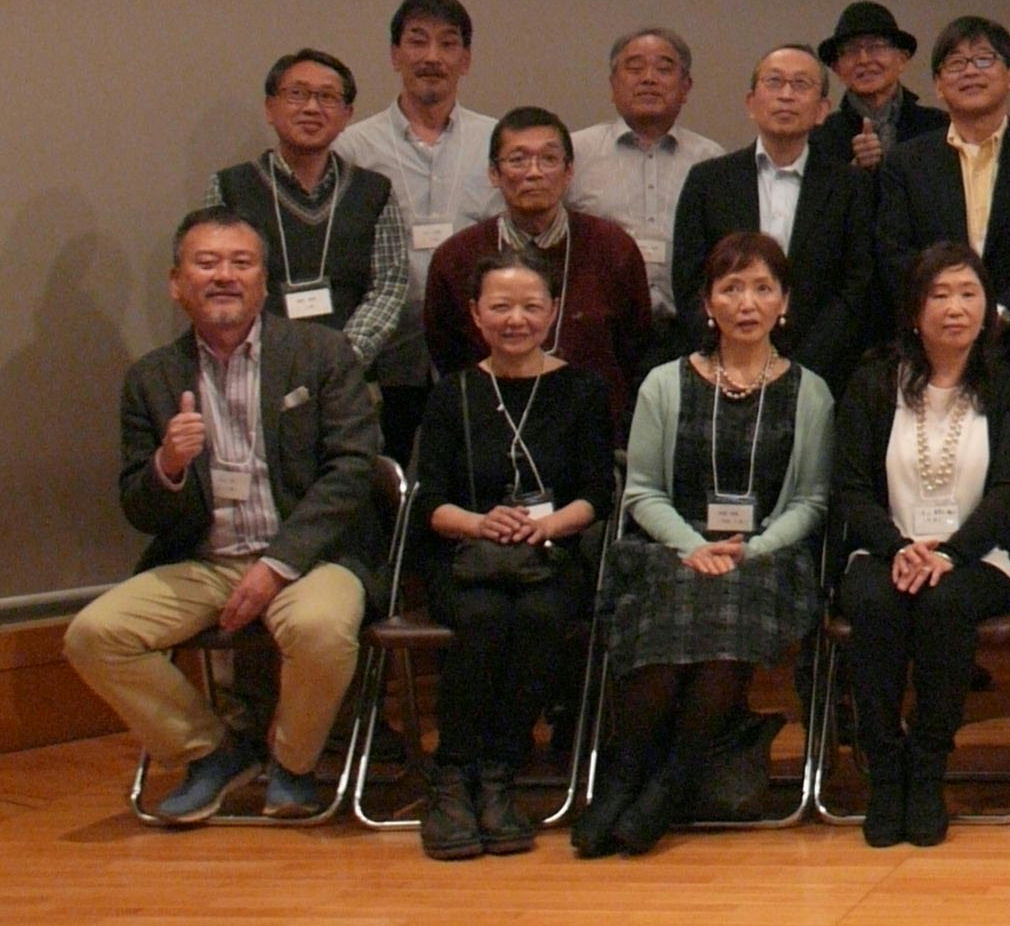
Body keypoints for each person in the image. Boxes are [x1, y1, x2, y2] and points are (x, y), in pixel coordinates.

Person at [66, 209, 383, 824]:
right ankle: (212, 753)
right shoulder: (151, 378)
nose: (224, 276)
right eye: (206, 263)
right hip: (204, 559)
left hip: (310, 558)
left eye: (241, 263)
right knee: (94, 635)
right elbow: (138, 506)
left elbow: (351, 471)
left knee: (320, 628)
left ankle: (292, 764)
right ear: (176, 283)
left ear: (264, 282)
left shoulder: (321, 354)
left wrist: (277, 565)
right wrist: (167, 465)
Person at [573, 231, 834, 858]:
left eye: (763, 288)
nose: (747, 303)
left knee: (729, 599)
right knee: (673, 595)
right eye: (732, 288)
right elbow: (641, 491)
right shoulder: (664, 383)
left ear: (784, 303)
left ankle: (670, 782)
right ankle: (625, 777)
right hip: (670, 547)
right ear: (707, 302)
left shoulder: (811, 391)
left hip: (767, 556)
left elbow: (811, 501)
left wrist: (754, 547)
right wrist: (693, 545)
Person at [408, 244, 616, 859]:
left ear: (552, 311)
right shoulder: (453, 393)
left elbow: (597, 495)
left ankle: (499, 776)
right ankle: (453, 778)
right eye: (500, 306)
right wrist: (481, 524)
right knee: (482, 617)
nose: (515, 319)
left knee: (540, 616)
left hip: (551, 555)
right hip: (466, 555)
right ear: (476, 314)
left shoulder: (582, 390)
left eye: (530, 305)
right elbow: (429, 501)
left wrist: (545, 526)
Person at [833, 240, 1010, 848]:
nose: (955, 309)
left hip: (979, 555)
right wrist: (898, 545)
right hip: (884, 550)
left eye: (969, 294)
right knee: (874, 602)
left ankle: (927, 768)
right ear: (913, 310)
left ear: (987, 308)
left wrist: (950, 553)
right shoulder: (873, 383)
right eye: (940, 295)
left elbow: (1009, 491)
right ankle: (884, 768)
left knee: (943, 602)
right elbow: (850, 487)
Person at [874, 16, 1010, 395]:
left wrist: (1000, 312)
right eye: (955, 63)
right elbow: (894, 253)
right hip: (932, 351)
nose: (970, 71)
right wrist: (947, 310)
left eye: (984, 59)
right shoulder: (906, 162)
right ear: (938, 85)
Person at [337, 0, 498, 462]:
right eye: (417, 41)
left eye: (448, 43)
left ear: (465, 59)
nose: (432, 57)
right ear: (395, 55)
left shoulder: (497, 142)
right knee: (387, 473)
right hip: (387, 354)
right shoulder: (352, 148)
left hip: (477, 346)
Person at [423, 109, 653, 432]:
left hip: (592, 431)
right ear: (494, 173)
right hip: (486, 428)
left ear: (569, 171)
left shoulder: (613, 248)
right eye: (518, 160)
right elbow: (447, 354)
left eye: (549, 159)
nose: (534, 172)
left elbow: (635, 349)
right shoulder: (457, 256)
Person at [672, 47, 878, 396]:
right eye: (774, 82)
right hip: (721, 370)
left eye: (801, 84)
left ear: (822, 110)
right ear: (751, 102)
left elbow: (858, 283)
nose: (786, 95)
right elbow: (689, 278)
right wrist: (726, 352)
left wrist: (801, 366)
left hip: (822, 374)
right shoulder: (708, 180)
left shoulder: (851, 186)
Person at [208, 49, 410, 386]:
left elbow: (389, 287)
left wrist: (341, 360)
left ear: (347, 115)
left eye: (327, 97)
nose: (312, 108)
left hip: (349, 378)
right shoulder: (230, 188)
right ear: (270, 108)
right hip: (253, 374)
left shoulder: (375, 191)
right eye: (297, 94)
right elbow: (215, 282)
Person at [568, 28, 724, 327]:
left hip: (687, 328)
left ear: (686, 87)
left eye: (664, 69)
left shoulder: (712, 160)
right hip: (599, 328)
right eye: (635, 68)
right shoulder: (576, 154)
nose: (649, 79)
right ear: (613, 85)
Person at [814, 1, 945, 177]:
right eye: (852, 50)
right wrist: (853, 171)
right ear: (837, 68)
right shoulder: (820, 138)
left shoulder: (938, 128)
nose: (864, 60)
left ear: (902, 60)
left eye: (876, 47)